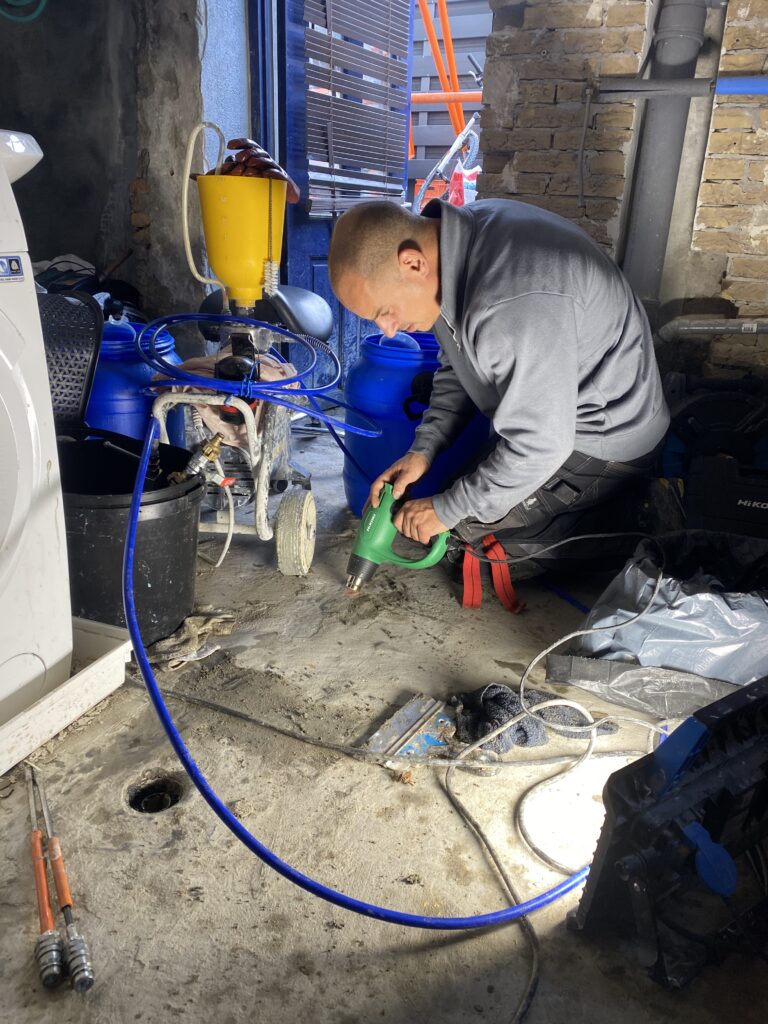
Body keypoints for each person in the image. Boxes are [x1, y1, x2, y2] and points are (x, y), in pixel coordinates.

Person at [328, 198, 670, 575]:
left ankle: (637, 524)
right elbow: (457, 365)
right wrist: (423, 450)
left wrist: (448, 510)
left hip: (606, 437)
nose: (389, 330)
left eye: (384, 312)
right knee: (451, 502)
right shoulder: (452, 248)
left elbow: (541, 446)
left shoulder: (508, 300)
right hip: (552, 421)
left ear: (412, 263)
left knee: (465, 548)